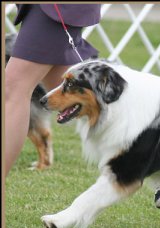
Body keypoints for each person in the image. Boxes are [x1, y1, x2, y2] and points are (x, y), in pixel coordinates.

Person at [5, 4, 101, 177]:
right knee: (80, 93)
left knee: (12, 88)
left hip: (55, 8)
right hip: (45, 9)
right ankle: (153, 151)